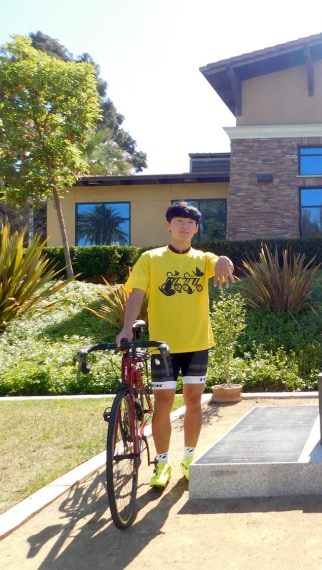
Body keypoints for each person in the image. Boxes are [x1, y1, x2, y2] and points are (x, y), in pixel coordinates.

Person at [116, 201, 235, 489]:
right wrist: (126, 328)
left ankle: (190, 459)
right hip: (163, 346)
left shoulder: (202, 259)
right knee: (163, 403)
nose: (184, 225)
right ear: (168, 225)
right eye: (178, 220)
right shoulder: (151, 259)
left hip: (196, 342)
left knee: (194, 401)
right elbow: (136, 295)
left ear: (196, 228)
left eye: (190, 222)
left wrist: (223, 259)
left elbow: (221, 263)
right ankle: (163, 462)